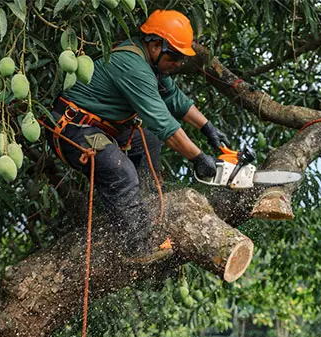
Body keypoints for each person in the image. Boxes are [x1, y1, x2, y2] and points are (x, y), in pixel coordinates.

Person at [46, 9, 227, 262]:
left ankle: (147, 205)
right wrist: (198, 158)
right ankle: (138, 246)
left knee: (148, 138)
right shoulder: (133, 67)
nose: (177, 64)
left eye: (181, 59)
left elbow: (175, 99)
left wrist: (208, 128)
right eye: (174, 56)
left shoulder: (151, 67)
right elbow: (164, 122)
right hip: (76, 129)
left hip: (102, 127)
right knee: (120, 171)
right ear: (155, 45)